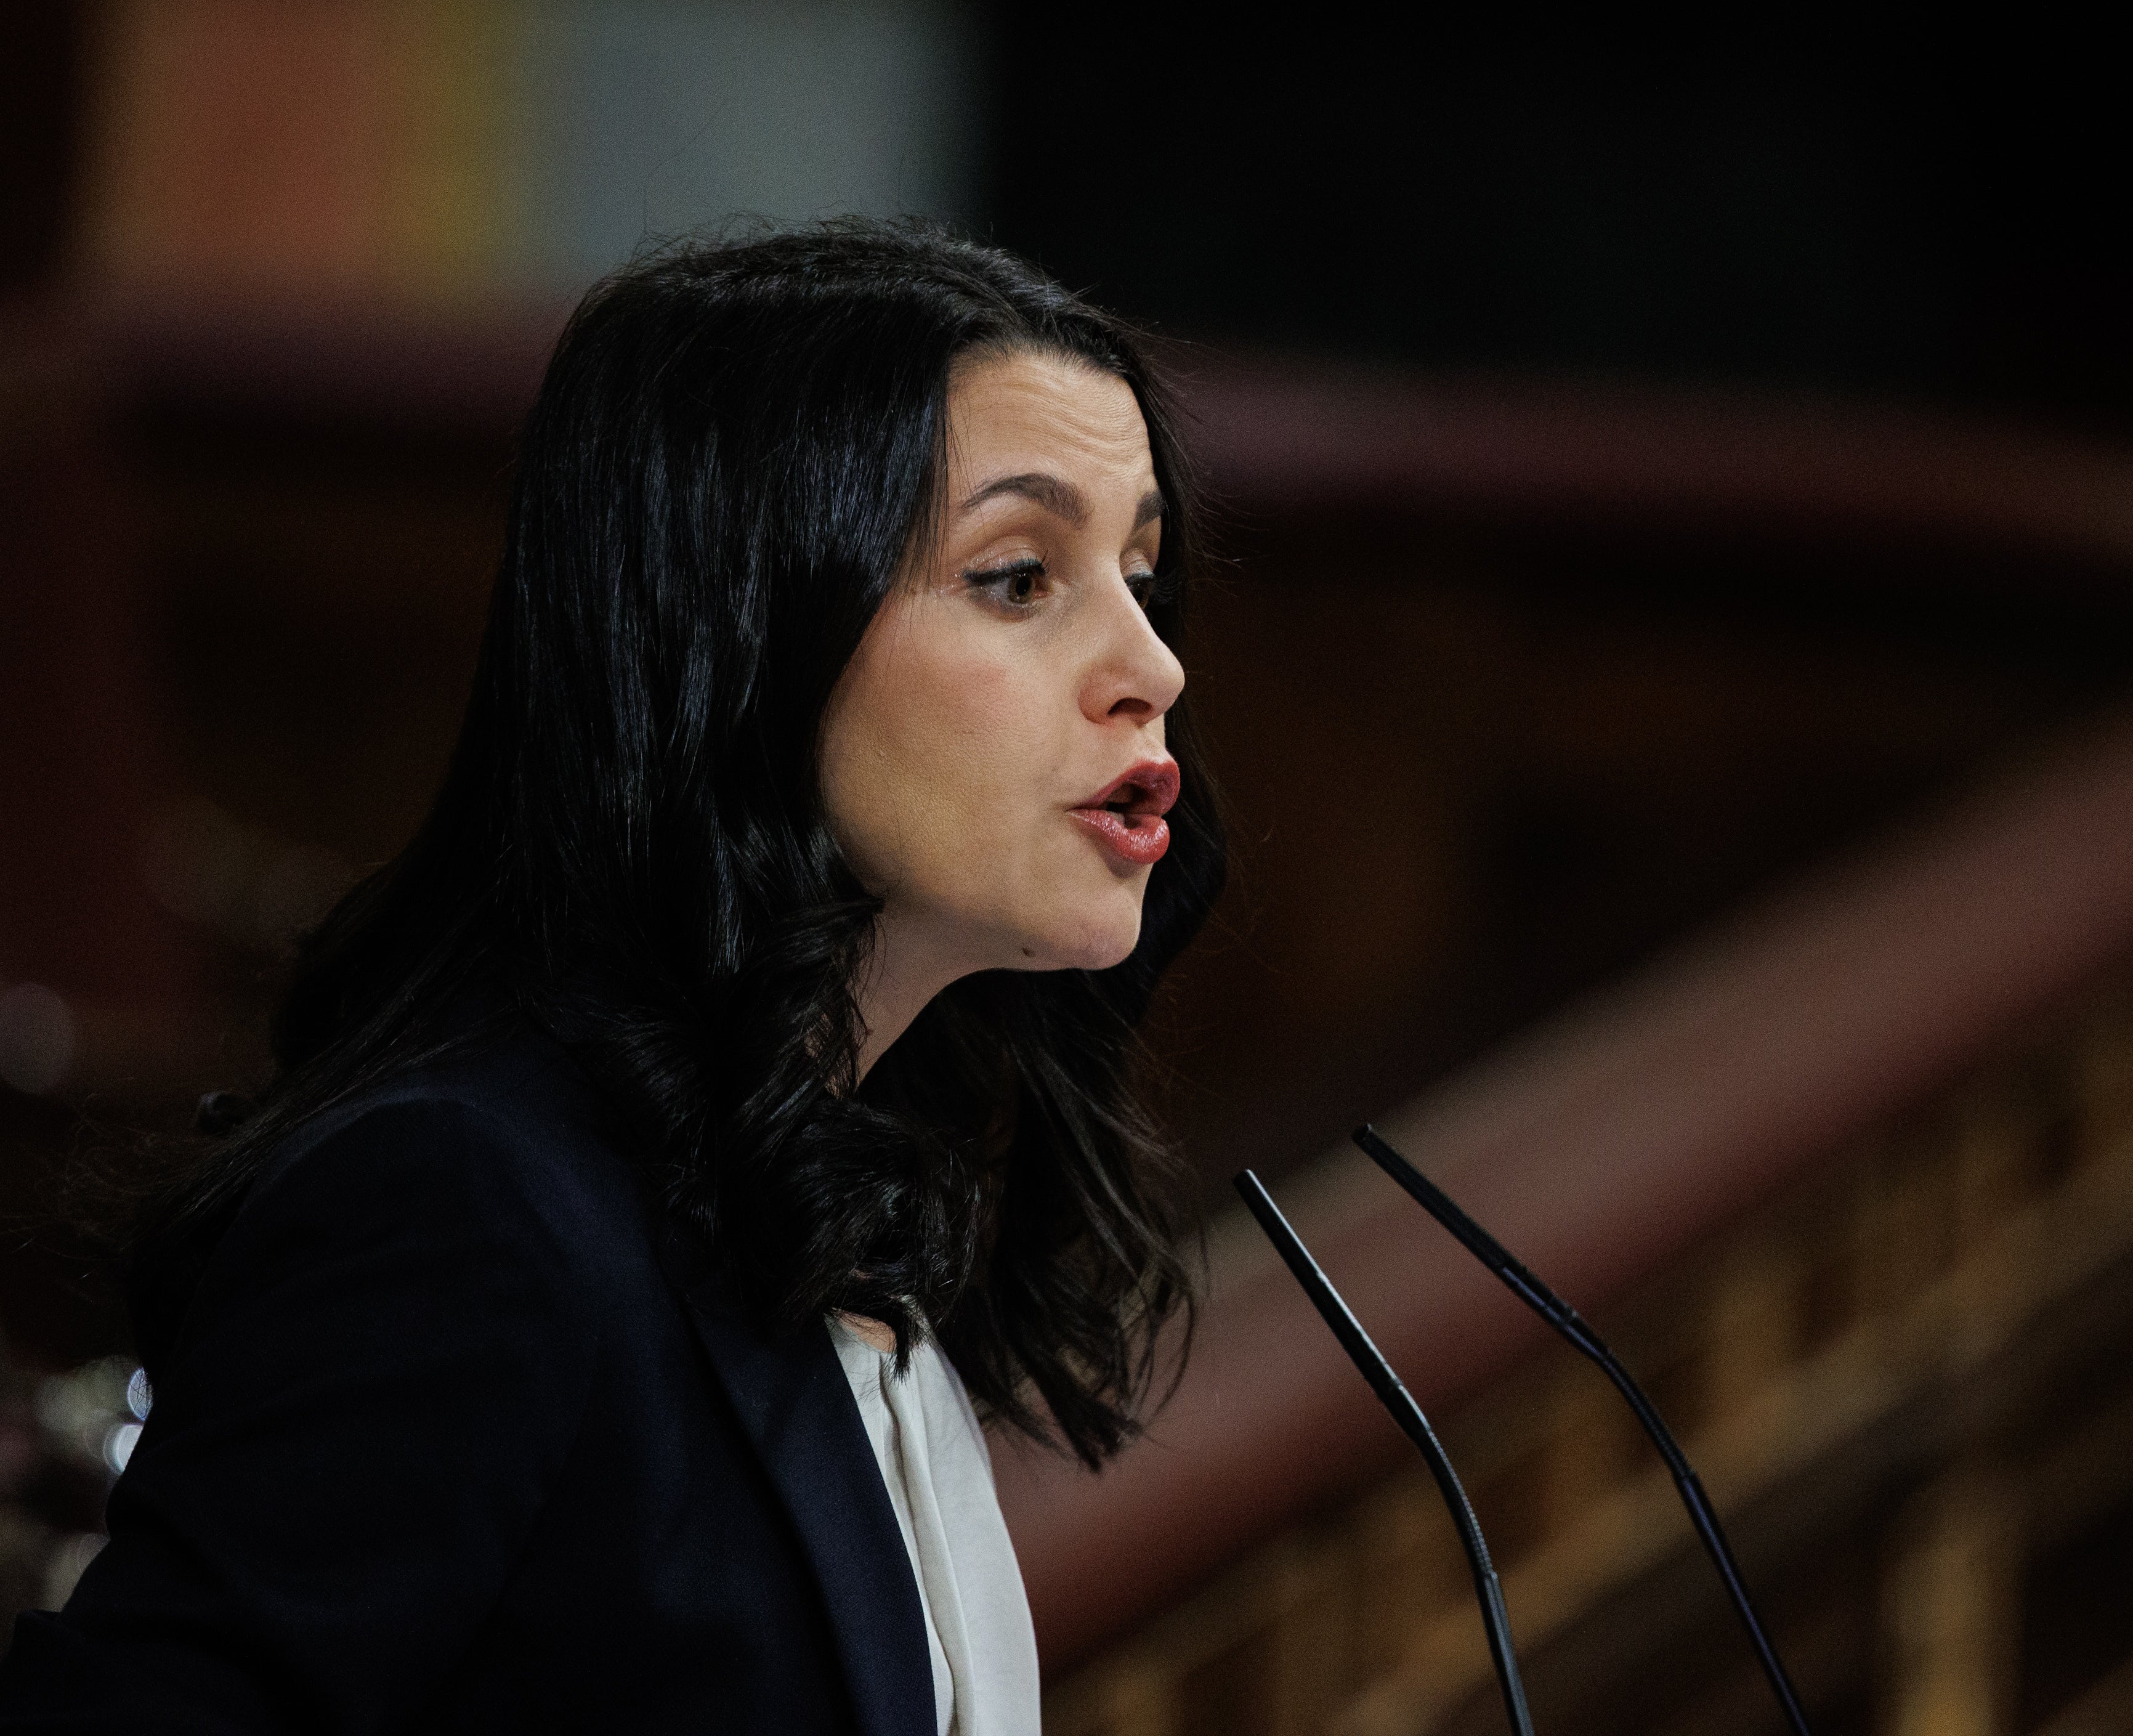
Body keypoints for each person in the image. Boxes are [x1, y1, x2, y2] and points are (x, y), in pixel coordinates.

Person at [0, 221, 1224, 1734]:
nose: (1151, 663)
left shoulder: (843, 1176)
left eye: (1144, 571)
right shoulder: (461, 1204)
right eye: (1021, 575)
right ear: (743, 625)